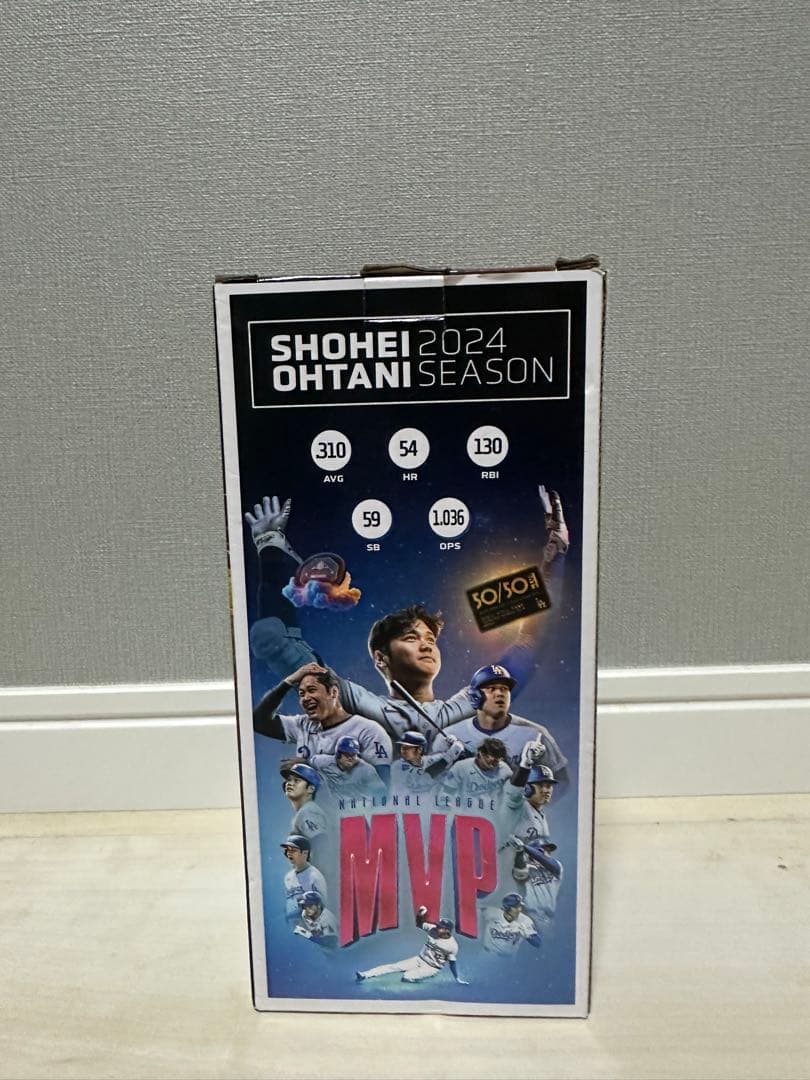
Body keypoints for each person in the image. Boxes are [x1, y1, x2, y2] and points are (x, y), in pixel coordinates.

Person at [244, 491, 569, 746]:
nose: (426, 645)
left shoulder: (463, 706)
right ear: (380, 658)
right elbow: (276, 641)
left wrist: (555, 558)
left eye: (430, 639)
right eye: (411, 638)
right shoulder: (361, 705)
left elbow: (529, 643)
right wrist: (270, 548)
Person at [254, 665, 392, 782]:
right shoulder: (303, 724)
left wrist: (312, 765)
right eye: (301, 694)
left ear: (333, 692)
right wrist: (288, 682)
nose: (306, 698)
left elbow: (382, 788)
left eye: (312, 690)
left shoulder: (369, 730)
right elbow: (258, 721)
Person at [443, 664, 569, 782]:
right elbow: (433, 781)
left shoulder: (536, 735)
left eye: (504, 689)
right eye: (492, 688)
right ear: (476, 696)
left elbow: (561, 781)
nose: (500, 693)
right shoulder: (449, 735)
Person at [355, 906, 469, 985]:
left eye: (440, 927)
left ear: (447, 930)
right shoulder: (432, 929)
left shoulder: (452, 945)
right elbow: (419, 924)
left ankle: (424, 980)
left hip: (432, 968)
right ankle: (365, 975)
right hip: (419, 959)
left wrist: (457, 978)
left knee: (407, 977)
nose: (437, 927)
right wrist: (420, 915)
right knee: (393, 966)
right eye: (438, 925)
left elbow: (452, 964)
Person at [309, 735, 387, 805]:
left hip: (361, 807)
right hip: (337, 807)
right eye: (347, 754)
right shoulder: (323, 762)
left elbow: (382, 792)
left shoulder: (367, 770)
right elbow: (311, 761)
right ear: (338, 754)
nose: (350, 758)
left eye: (353, 754)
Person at [388, 730, 465, 798]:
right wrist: (449, 757)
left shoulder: (428, 760)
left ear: (419, 749)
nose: (403, 751)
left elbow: (451, 759)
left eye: (407, 748)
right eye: (402, 747)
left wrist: (454, 744)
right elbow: (422, 780)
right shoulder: (397, 766)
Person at [511, 837, 563, 934]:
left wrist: (524, 847)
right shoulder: (526, 868)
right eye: (544, 850)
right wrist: (520, 851)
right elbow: (520, 869)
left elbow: (542, 859)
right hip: (530, 918)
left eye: (549, 851)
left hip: (550, 918)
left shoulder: (556, 866)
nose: (548, 853)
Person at [441, 737, 512, 801]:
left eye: (498, 759)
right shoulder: (460, 767)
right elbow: (447, 794)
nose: (495, 762)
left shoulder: (505, 769)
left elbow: (513, 794)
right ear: (481, 753)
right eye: (492, 757)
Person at [280, 834, 328, 920]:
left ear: (305, 853)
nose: (289, 853)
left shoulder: (315, 876)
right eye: (288, 850)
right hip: (293, 922)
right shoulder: (288, 877)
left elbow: (323, 907)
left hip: (311, 924)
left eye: (293, 850)